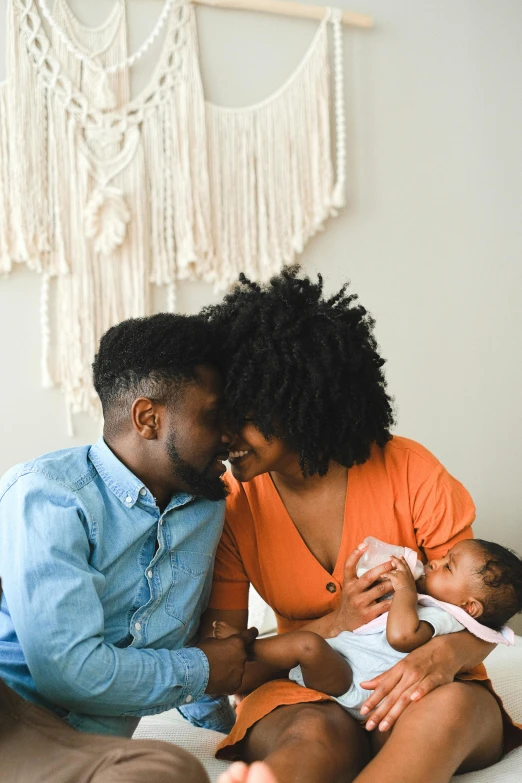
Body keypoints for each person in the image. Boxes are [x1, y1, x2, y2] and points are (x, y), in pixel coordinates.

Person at [199, 267, 522, 783]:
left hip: (434, 684)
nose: (225, 434)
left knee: (442, 713)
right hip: (307, 691)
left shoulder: (412, 471)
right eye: (222, 415)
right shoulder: (231, 507)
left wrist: (439, 656)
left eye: (245, 413)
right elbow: (230, 667)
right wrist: (332, 626)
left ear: (296, 401)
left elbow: (482, 607)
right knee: (314, 732)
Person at [0, 313, 256, 781]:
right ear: (148, 418)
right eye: (214, 417)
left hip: (97, 752)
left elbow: (196, 650)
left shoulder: (206, 507)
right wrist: (203, 669)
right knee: (169, 772)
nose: (229, 436)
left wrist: (235, 727)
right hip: (13, 723)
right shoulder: (48, 497)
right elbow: (72, 673)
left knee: (166, 772)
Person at [212, 538, 522, 723]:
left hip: (359, 685)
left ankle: (243, 648)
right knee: (305, 647)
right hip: (346, 670)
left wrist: (405, 591)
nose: (434, 563)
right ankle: (242, 660)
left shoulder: (448, 618)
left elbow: (401, 637)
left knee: (306, 645)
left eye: (448, 567)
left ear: (471, 607)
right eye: (443, 557)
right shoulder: (438, 605)